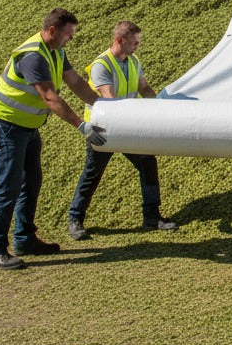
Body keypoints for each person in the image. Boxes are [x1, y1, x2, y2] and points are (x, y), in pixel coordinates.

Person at [0, 8, 105, 270]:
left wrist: (104, 104)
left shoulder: (56, 51)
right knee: (9, 187)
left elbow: (76, 82)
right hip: (6, 126)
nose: (70, 39)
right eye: (68, 35)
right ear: (52, 31)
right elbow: (49, 97)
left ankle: (25, 239)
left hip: (27, 127)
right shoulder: (32, 56)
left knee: (32, 182)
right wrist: (82, 125)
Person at [68, 20, 177, 239]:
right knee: (93, 173)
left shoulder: (133, 61)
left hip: (128, 126)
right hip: (102, 130)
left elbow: (143, 88)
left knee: (147, 162)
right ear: (120, 40)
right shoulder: (102, 65)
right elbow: (108, 98)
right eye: (134, 42)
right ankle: (75, 219)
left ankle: (152, 217)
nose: (137, 46)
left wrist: (161, 107)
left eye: (138, 42)